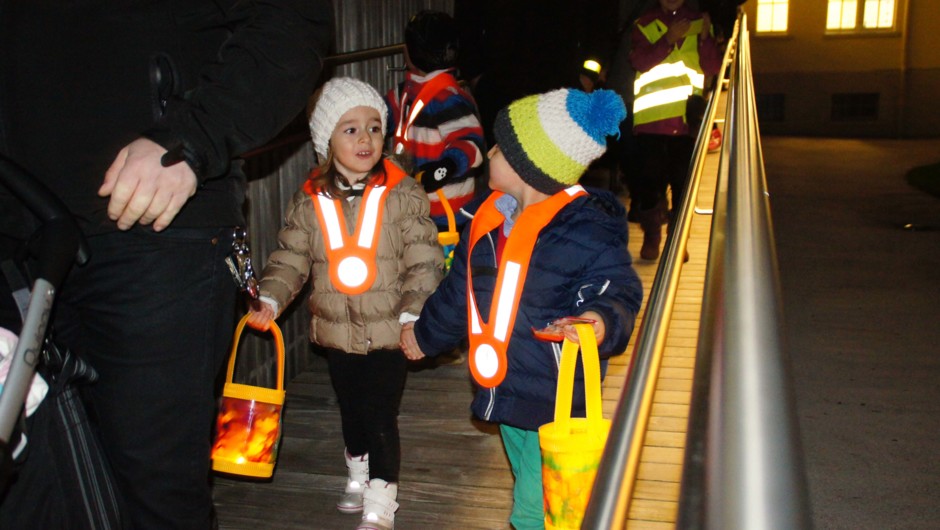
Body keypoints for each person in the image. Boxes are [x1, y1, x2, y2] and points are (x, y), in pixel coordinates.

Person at [0, 2, 333, 528]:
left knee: (155, 492)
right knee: (41, 484)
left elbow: (293, 19)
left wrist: (190, 140)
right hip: (20, 242)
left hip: (153, 230)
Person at [400, 87, 643, 530]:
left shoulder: (586, 231)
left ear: (526, 167)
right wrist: (424, 335)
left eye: (497, 147)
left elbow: (619, 289)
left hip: (555, 395)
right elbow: (460, 293)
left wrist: (600, 319)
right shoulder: (488, 221)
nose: (488, 152)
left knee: (534, 506)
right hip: (506, 389)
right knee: (542, 491)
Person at [246, 77, 443, 530]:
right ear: (326, 140)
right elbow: (291, 256)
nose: (365, 138)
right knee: (351, 408)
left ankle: (381, 497)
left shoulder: (404, 193)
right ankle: (357, 466)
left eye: (374, 127)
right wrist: (271, 297)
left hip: (389, 329)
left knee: (380, 413)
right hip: (336, 328)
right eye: (350, 129)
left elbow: (424, 260)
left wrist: (414, 314)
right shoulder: (310, 200)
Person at [630, 0, 721, 260]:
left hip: (686, 123)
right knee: (649, 185)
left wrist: (705, 38)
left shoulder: (698, 21)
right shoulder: (646, 23)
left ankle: (678, 242)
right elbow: (638, 61)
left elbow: (712, 67)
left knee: (683, 186)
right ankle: (652, 235)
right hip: (652, 121)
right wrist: (668, 39)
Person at [386, 9, 486, 238]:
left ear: (407, 52)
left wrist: (445, 168)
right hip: (412, 209)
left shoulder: (449, 98)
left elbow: (472, 145)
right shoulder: (404, 92)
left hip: (447, 217)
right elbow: (379, 116)